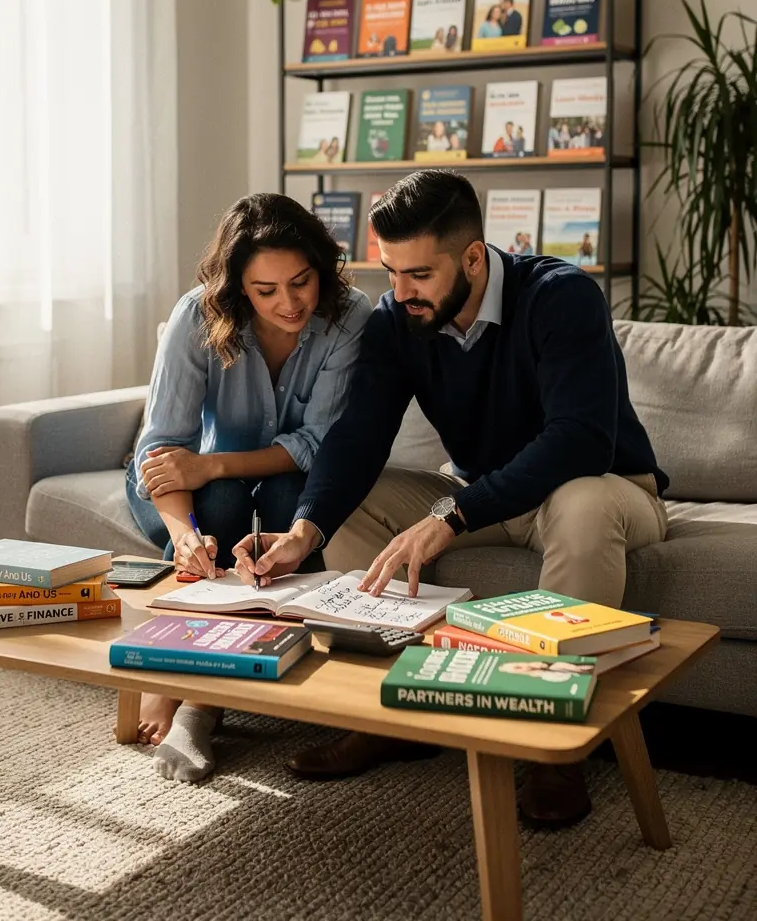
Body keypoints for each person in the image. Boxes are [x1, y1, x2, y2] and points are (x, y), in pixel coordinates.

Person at [232, 170, 668, 827]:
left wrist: (452, 517)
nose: (399, 292)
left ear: (472, 257)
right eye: (390, 272)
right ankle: (386, 715)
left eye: (418, 275)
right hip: (489, 496)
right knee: (361, 499)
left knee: (580, 503)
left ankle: (554, 753)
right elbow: (359, 437)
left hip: (606, 488)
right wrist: (304, 530)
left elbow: (581, 441)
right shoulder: (396, 318)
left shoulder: (560, 295)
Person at [126, 192, 371, 782]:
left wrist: (211, 465)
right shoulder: (196, 316)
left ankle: (211, 694)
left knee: (290, 501)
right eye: (265, 291)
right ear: (238, 288)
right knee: (221, 505)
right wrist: (185, 537)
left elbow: (317, 443)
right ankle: (177, 676)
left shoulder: (351, 315)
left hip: (274, 478)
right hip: (192, 492)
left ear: (322, 267)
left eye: (301, 282)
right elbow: (163, 451)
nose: (288, 303)